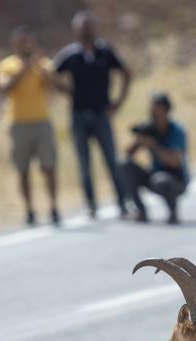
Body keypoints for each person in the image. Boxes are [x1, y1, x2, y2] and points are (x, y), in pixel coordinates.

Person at [52, 11, 132, 219]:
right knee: (84, 163)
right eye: (82, 27)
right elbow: (51, 74)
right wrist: (66, 90)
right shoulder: (71, 54)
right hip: (79, 115)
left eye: (88, 26)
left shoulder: (104, 51)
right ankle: (91, 204)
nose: (86, 30)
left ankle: (123, 202)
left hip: (101, 114)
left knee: (112, 160)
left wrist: (119, 102)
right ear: (75, 31)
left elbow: (126, 72)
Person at [0, 26, 60, 226]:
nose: (26, 46)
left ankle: (54, 207)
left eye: (28, 42)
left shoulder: (42, 63)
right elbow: (4, 87)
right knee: (23, 169)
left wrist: (38, 67)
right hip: (18, 124)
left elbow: (53, 84)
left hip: (41, 121)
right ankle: (30, 210)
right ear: (15, 45)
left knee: (49, 166)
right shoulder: (6, 66)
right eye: (22, 42)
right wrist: (23, 69)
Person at [121, 92, 189, 225]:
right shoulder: (149, 129)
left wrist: (154, 146)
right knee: (124, 165)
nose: (152, 111)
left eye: (156, 107)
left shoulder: (176, 130)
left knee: (161, 179)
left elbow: (174, 161)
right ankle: (141, 211)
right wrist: (140, 140)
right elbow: (127, 154)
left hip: (175, 180)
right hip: (154, 177)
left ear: (165, 110)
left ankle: (173, 213)